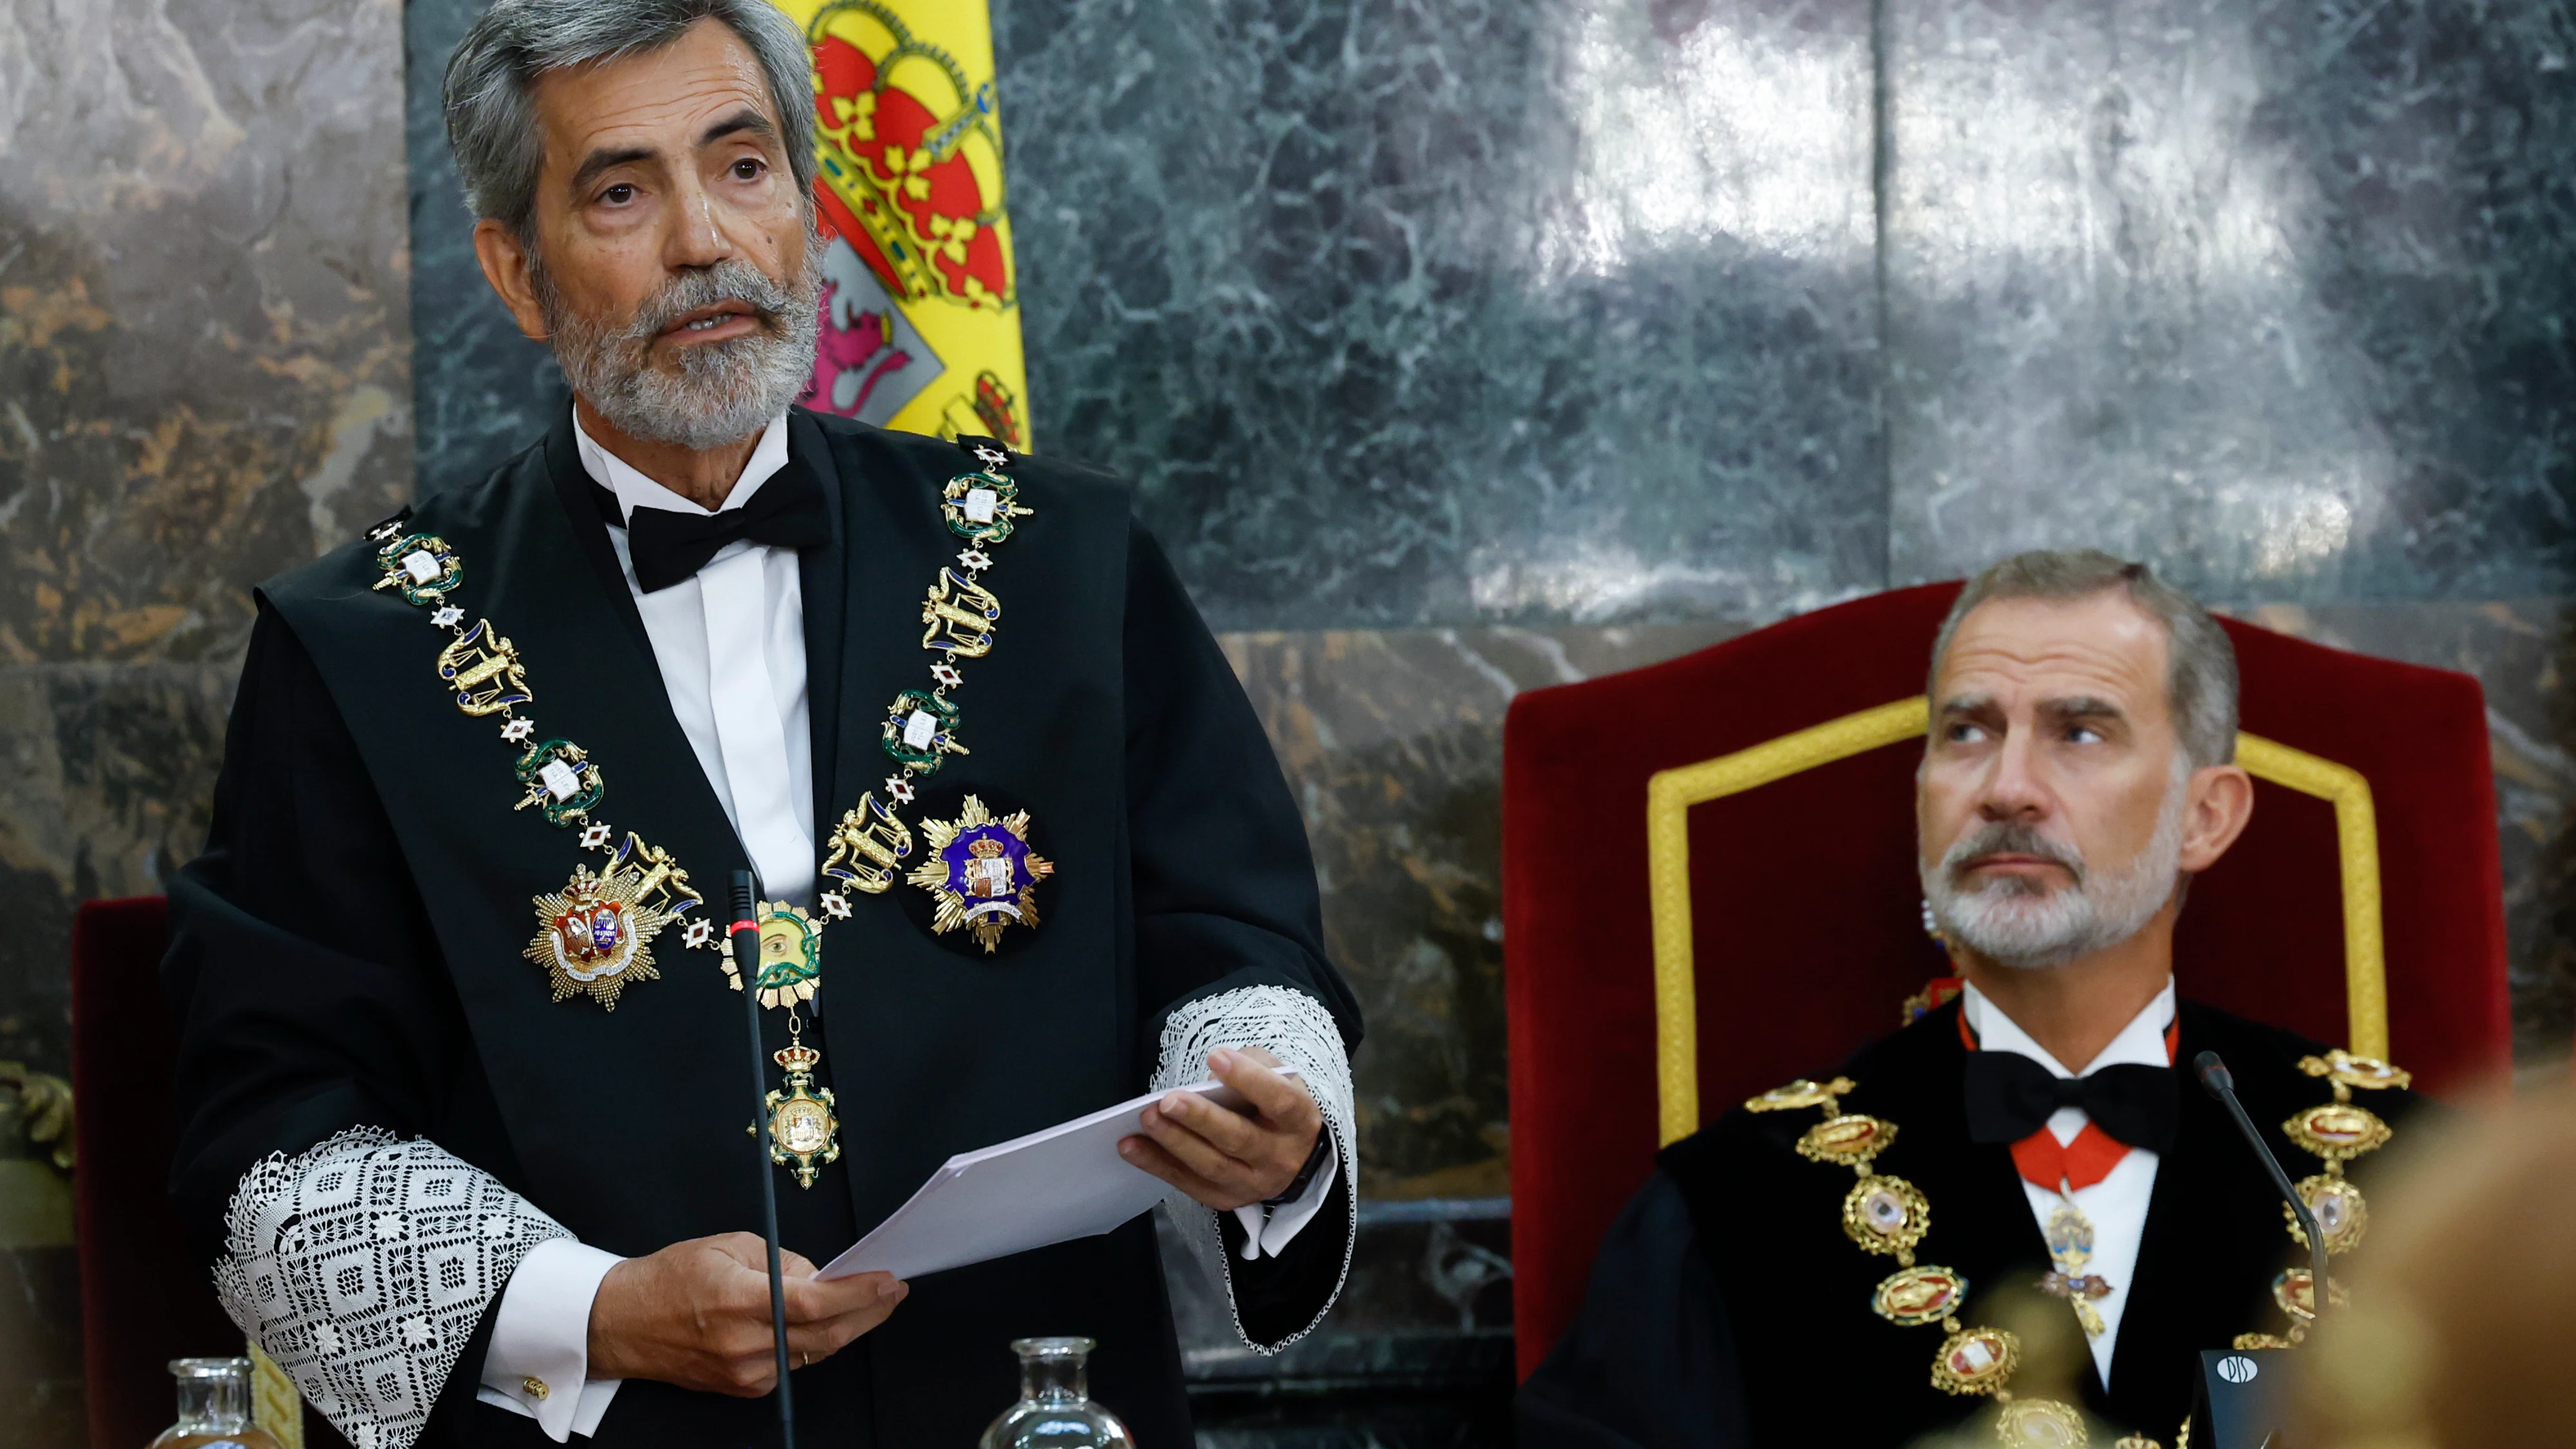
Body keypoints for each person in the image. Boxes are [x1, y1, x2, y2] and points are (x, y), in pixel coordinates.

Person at [161, 4, 1360, 1446]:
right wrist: (590, 1307)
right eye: (620, 191)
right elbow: (267, 1131)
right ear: (516, 273)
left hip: (1038, 1410)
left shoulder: (1060, 562)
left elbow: (1241, 946)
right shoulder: (358, 650)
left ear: (804, 203)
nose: (702, 243)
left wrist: (1269, 1117)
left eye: (742, 168)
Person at [1517, 550, 2425, 1448]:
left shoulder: (2409, 1177)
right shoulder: (1740, 1205)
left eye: (2079, 731)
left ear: (2206, 815)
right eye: (1968, 731)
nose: (2007, 788)